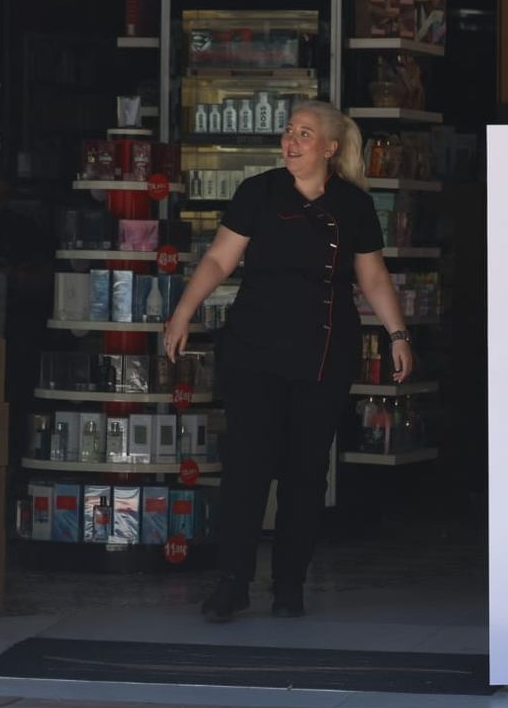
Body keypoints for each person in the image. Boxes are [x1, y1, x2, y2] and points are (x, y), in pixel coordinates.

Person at [164, 101, 414, 622]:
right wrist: (182, 313)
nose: (291, 141)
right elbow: (219, 259)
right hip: (255, 346)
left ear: (330, 147)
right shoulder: (258, 191)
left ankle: (289, 584)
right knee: (247, 469)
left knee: (305, 472)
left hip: (325, 351)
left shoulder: (353, 206)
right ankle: (232, 582)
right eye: (288, 132)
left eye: (304, 133)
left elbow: (371, 277)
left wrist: (397, 333)